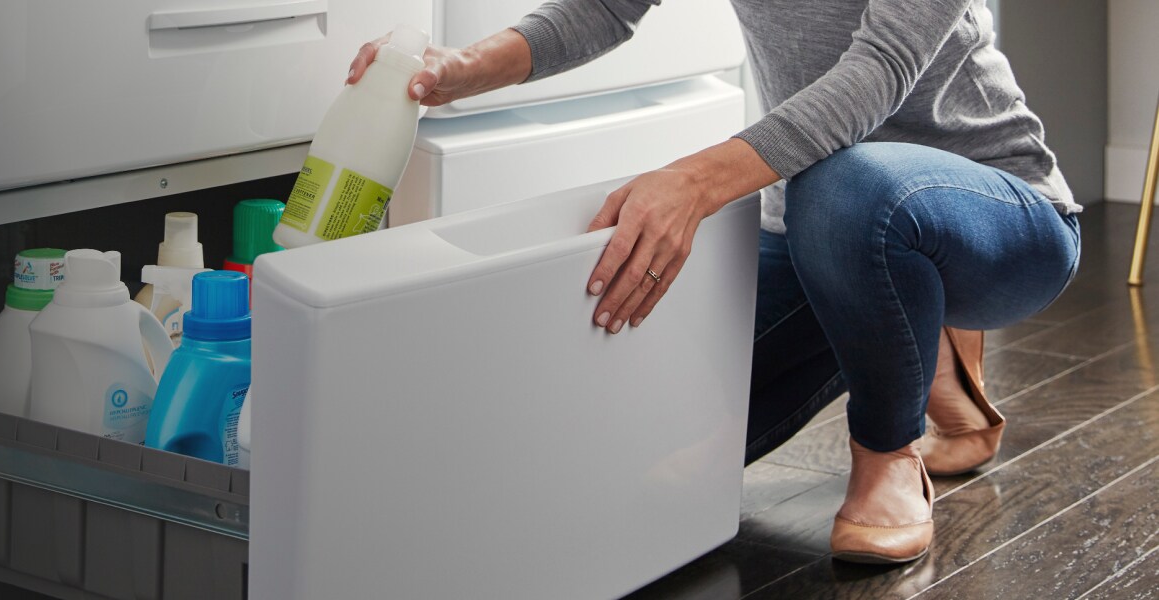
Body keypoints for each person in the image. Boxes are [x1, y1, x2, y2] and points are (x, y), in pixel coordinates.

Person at [347, 0, 1082, 563]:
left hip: (1000, 212)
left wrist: (694, 182)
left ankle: (888, 452)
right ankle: (915, 333)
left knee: (840, 184)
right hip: (820, 229)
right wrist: (459, 68)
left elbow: (879, 73)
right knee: (624, 441)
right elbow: (605, 8)